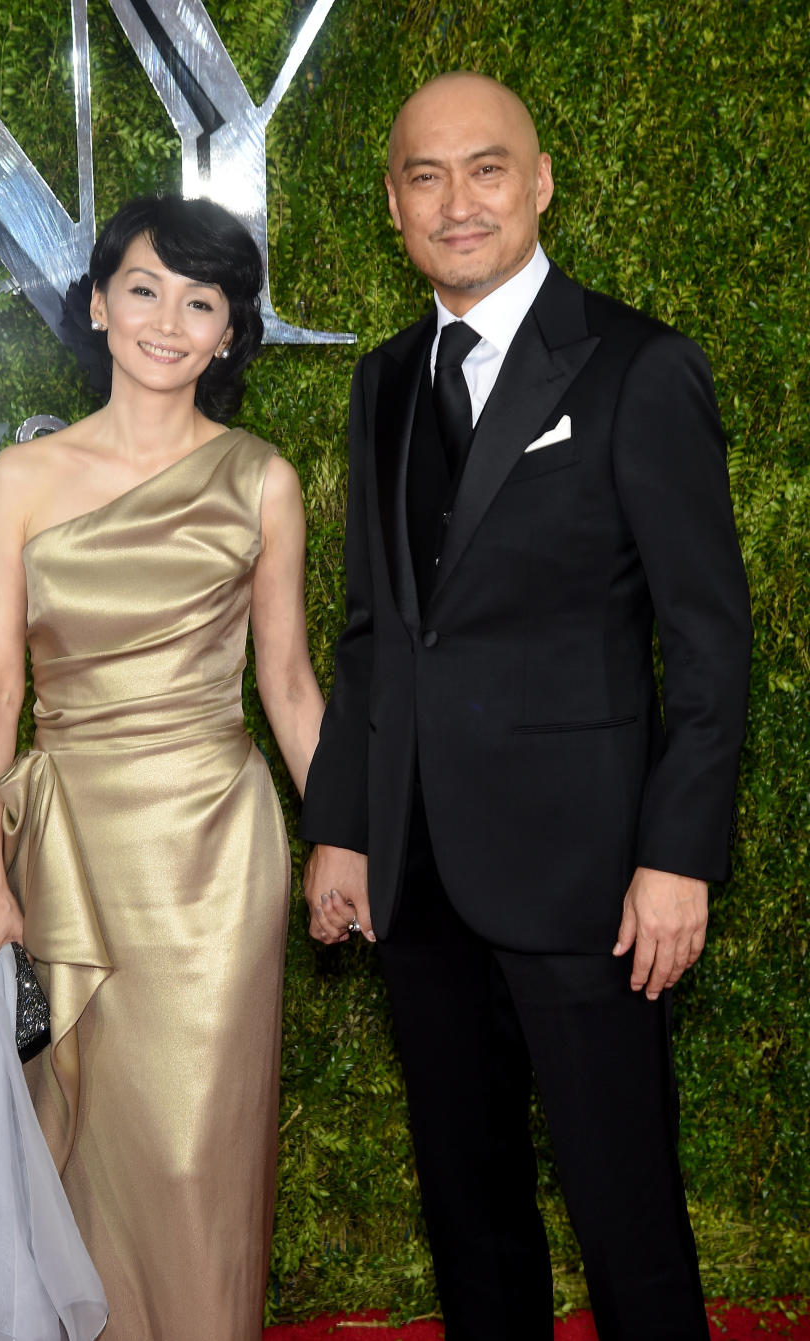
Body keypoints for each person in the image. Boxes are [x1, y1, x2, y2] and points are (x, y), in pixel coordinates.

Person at [301, 72, 752, 1341]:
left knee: (626, 1210)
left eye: (485, 169)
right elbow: (378, 632)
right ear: (393, 204)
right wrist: (344, 823)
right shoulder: (385, 381)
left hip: (591, 878)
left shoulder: (639, 366)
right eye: (426, 177)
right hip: (421, 870)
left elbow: (711, 647)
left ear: (541, 182)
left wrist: (676, 858)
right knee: (467, 1202)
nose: (458, 202)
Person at [0, 193, 326, 1340]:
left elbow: (291, 687)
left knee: (194, 1154)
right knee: (77, 1145)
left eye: (201, 300)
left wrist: (352, 841)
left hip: (215, 857)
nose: (170, 319)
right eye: (146, 288)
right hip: (63, 852)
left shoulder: (263, 480)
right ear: (102, 305)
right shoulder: (25, 478)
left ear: (227, 334)